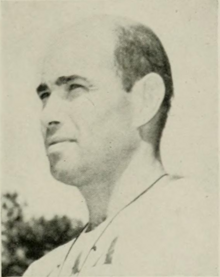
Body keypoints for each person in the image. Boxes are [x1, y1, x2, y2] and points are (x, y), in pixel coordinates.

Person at [23, 15, 217, 276]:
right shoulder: (42, 270)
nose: (47, 115)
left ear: (145, 100)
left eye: (75, 88)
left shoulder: (201, 225)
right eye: (45, 95)